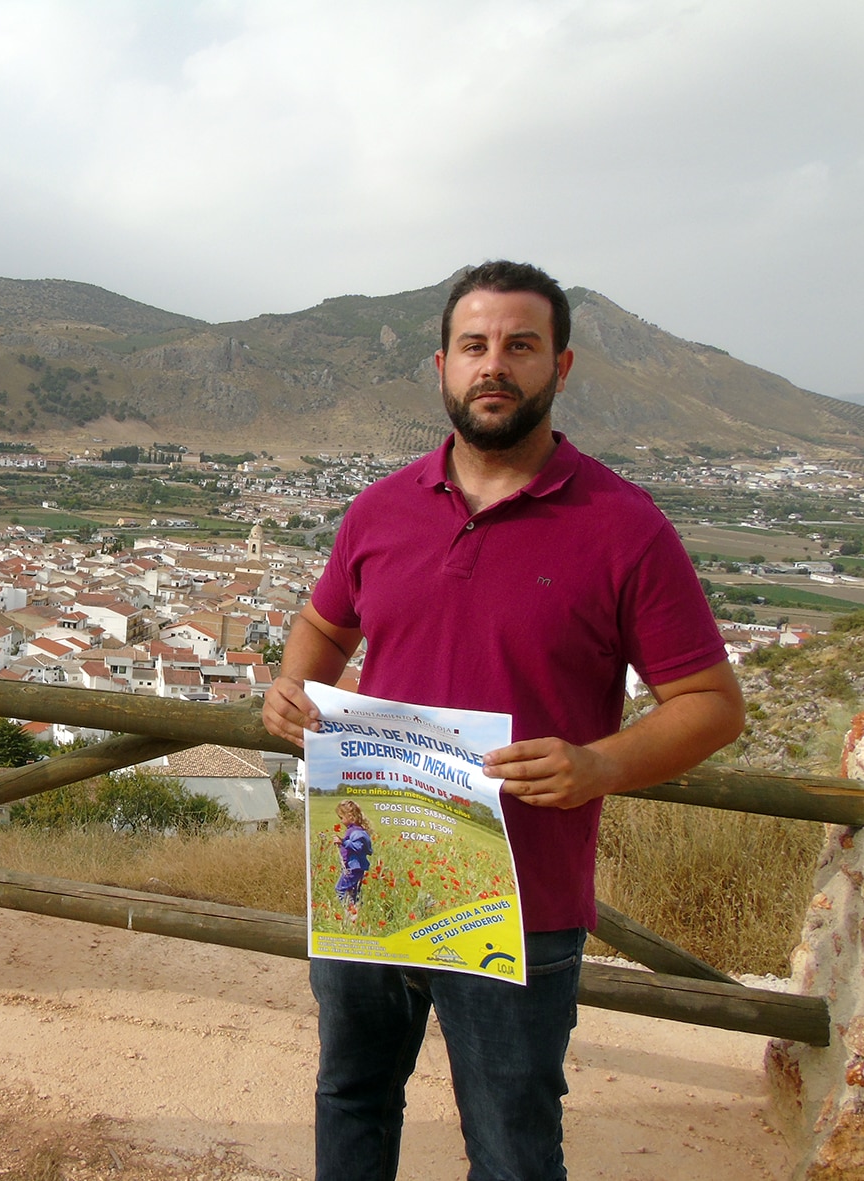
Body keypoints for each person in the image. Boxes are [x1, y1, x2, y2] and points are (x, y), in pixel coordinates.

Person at [263, 260, 744, 1181]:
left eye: (520, 346)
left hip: (518, 903)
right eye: (474, 346)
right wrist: (293, 688)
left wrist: (598, 765)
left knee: (512, 1146)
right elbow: (323, 625)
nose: (494, 365)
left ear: (559, 368)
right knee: (350, 1098)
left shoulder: (625, 527)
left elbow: (713, 705)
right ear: (440, 365)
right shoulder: (379, 509)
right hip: (371, 872)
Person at [332, 800, 372, 920]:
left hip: (354, 868)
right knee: (353, 892)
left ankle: (350, 914)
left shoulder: (357, 832)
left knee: (340, 889)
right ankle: (356, 914)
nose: (341, 821)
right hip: (354, 867)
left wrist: (343, 841)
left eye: (341, 817)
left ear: (350, 816)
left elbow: (358, 847)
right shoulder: (355, 830)